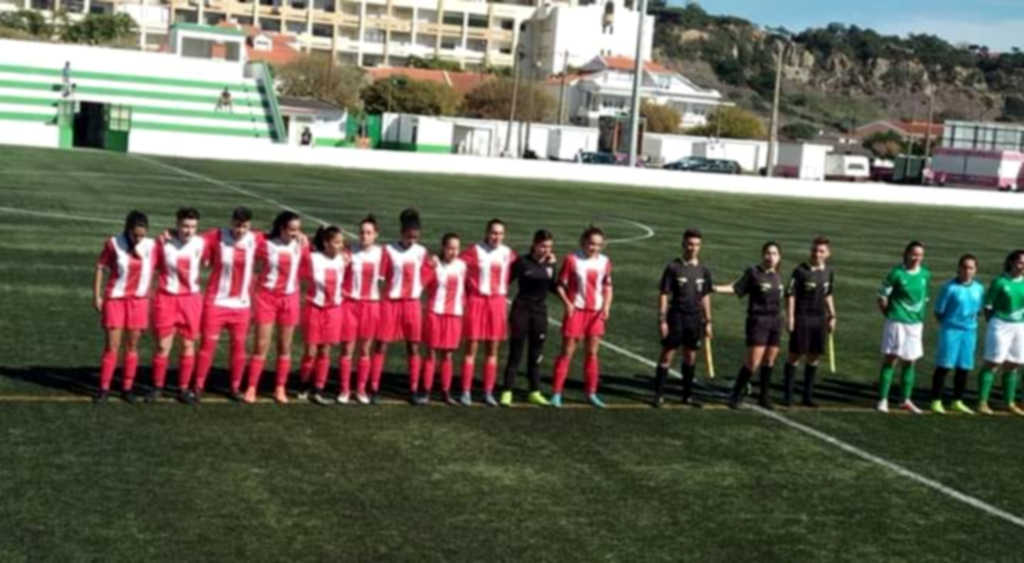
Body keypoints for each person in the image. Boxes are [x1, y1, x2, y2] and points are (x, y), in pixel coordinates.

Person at [193, 207, 262, 402]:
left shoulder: (256, 239)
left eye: (245, 227)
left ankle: (235, 386)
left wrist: (301, 237)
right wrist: (170, 232)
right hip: (216, 302)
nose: (240, 230)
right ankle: (198, 385)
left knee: (239, 347)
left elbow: (280, 237)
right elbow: (190, 237)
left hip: (242, 305)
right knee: (207, 345)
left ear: (250, 225)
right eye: (237, 225)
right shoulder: (216, 236)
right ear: (231, 222)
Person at [244, 211, 307, 404]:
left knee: (284, 346)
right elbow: (246, 235)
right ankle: (252, 386)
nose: (295, 233)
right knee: (261, 345)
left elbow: (329, 242)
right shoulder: (265, 244)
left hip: (290, 299)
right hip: (266, 298)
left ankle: (280, 387)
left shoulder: (301, 245)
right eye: (292, 229)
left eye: (298, 229)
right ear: (281, 228)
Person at [93, 211, 156, 403]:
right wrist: (96, 295)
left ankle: (127, 388)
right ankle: (104, 388)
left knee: (132, 346)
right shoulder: (113, 243)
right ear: (127, 230)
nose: (139, 239)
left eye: (142, 235)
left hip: (139, 302)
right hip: (116, 300)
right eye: (135, 235)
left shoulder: (153, 245)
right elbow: (100, 267)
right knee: (112, 346)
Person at [550, 226, 614, 408]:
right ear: (583, 242)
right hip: (576, 311)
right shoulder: (572, 259)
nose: (594, 248)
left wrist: (606, 306)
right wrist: (567, 303)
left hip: (596, 313)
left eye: (598, 245)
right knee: (567, 352)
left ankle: (591, 393)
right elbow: (560, 285)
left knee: (592, 353)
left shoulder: (605, 262)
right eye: (591, 243)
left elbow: (608, 286)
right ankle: (556, 393)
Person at [716, 241, 784, 410]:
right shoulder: (753, 273)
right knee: (753, 361)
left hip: (775, 322)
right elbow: (736, 288)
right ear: (762, 254)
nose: (770, 257)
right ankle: (736, 394)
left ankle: (764, 396)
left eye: (774, 254)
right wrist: (714, 288)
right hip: (758, 321)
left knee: (769, 360)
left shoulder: (777, 275)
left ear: (779, 257)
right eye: (768, 253)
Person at [459, 219, 517, 406]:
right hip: (477, 302)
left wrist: (548, 259)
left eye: (500, 233)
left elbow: (522, 267)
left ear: (504, 235)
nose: (496, 237)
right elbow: (456, 266)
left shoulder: (508, 253)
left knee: (492, 349)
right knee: (471, 348)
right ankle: (466, 391)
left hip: (497, 303)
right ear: (486, 232)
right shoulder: (474, 251)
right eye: (493, 232)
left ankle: (488, 391)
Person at [652, 228, 714, 408]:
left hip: (695, 318)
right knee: (667, 354)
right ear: (683, 244)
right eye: (690, 244)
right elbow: (664, 294)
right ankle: (659, 394)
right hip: (676, 316)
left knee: (690, 356)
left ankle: (687, 395)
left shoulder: (703, 270)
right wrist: (662, 319)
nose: (693, 248)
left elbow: (705, 296)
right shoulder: (673, 267)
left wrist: (708, 321)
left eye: (696, 245)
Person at [150, 207, 206, 404]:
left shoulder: (203, 242)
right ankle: (157, 386)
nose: (188, 230)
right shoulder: (163, 242)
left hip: (191, 300)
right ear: (177, 224)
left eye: (192, 227)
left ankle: (183, 388)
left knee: (188, 345)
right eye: (184, 226)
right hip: (167, 298)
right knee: (162, 345)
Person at [375, 209, 428, 404]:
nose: (412, 240)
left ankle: (413, 388)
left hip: (412, 305)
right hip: (390, 303)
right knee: (382, 344)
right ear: (402, 233)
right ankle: (374, 387)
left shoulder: (422, 252)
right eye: (409, 236)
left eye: (416, 237)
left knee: (413, 346)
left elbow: (426, 275)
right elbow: (380, 278)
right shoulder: (388, 250)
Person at [499, 229, 558, 407]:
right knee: (515, 352)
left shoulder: (551, 264)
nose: (546, 250)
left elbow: (553, 286)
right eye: (543, 246)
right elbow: (505, 281)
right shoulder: (522, 262)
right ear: (534, 244)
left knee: (536, 354)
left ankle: (534, 391)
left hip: (540, 313)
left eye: (549, 247)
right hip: (521, 311)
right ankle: (507, 391)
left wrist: (571, 297)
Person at [876, 241, 931, 414]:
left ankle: (905, 399)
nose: (916, 258)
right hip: (897, 321)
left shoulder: (925, 274)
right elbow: (882, 297)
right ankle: (883, 399)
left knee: (911, 361)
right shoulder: (896, 273)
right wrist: (889, 314)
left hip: (915, 324)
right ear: (906, 254)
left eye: (920, 255)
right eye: (914, 254)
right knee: (891, 359)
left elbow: (924, 298)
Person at [781, 236, 836, 407]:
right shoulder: (800, 271)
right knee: (795, 355)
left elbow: (828, 294)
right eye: (814, 250)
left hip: (819, 319)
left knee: (814, 356)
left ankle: (807, 396)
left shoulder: (828, 272)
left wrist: (832, 315)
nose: (816, 254)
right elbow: (790, 295)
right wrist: (790, 317)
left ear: (828, 253)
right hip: (802, 317)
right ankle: (788, 396)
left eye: (821, 251)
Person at [298, 225, 349, 405]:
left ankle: (319, 387)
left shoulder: (343, 259)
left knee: (325, 350)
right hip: (315, 307)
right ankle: (304, 383)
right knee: (310, 351)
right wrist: (303, 240)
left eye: (342, 242)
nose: (340, 246)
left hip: (333, 310)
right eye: (337, 242)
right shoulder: (313, 258)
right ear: (326, 243)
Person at [929, 254, 984, 415]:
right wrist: (949, 325)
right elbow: (939, 311)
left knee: (964, 367)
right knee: (944, 365)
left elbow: (978, 310)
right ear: (959, 268)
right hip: (951, 330)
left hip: (969, 331)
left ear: (975, 270)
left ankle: (957, 401)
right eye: (964, 267)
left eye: (971, 268)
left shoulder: (979, 288)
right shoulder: (949, 288)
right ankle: (936, 400)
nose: (967, 271)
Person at [417, 232, 467, 405]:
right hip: (435, 313)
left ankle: (446, 391)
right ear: (443, 248)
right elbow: (421, 282)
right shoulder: (435, 265)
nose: (453, 252)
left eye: (456, 249)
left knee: (448, 355)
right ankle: (426, 391)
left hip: (454, 315)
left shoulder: (462, 266)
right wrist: (428, 266)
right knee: (431, 353)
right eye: (450, 248)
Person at [976, 250, 1024, 416]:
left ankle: (1009, 402)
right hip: (1001, 325)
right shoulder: (1000, 282)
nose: (1022, 266)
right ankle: (982, 401)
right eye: (1020, 262)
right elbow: (988, 306)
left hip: (1019, 326)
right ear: (1011, 262)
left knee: (1013, 364)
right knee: (993, 362)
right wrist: (994, 323)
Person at [347, 215, 386, 404]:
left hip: (371, 305)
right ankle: (345, 389)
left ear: (376, 234)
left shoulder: (382, 254)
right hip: (352, 304)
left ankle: (361, 389)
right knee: (347, 348)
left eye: (369, 233)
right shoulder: (349, 251)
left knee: (364, 349)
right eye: (362, 232)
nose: (364, 236)